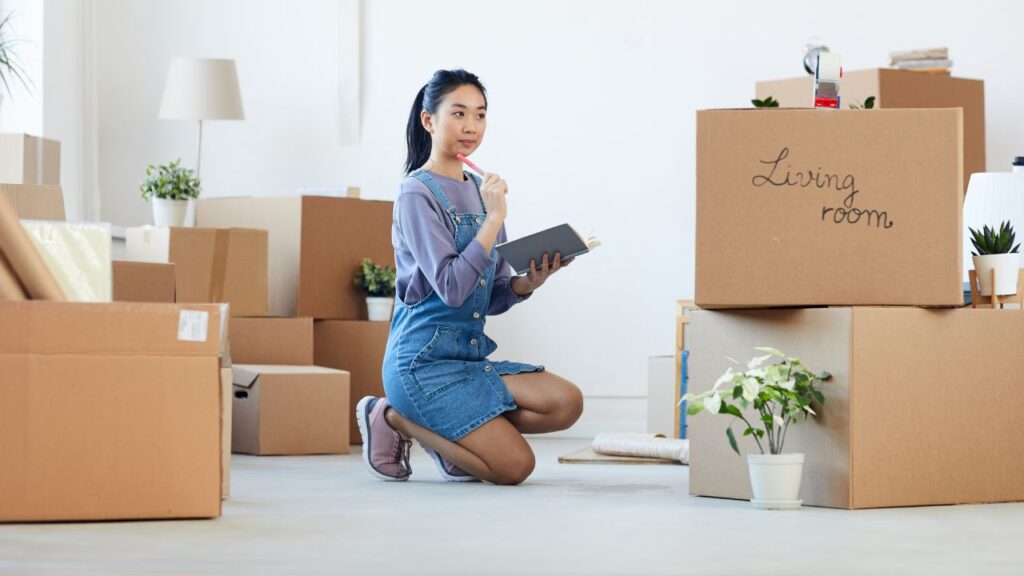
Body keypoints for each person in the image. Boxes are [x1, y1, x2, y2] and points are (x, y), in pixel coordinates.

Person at [356, 69, 584, 485]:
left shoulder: (482, 189)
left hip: (468, 360)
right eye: (458, 113)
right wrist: (494, 218)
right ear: (429, 121)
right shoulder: (416, 193)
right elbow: (452, 286)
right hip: (421, 366)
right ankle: (390, 415)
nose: (471, 127)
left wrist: (529, 282)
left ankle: (459, 441)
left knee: (566, 403)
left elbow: (492, 295)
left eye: (480, 115)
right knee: (515, 468)